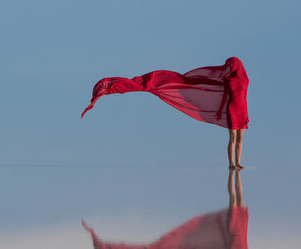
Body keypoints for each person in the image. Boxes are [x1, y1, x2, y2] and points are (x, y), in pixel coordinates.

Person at [81, 57, 249, 168]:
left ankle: (239, 162)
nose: (229, 68)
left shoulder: (243, 79)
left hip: (242, 109)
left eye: (231, 66)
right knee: (233, 138)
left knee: (240, 138)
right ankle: (231, 164)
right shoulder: (227, 80)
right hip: (233, 109)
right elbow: (210, 84)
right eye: (229, 65)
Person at [82, 168, 249, 249]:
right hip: (235, 227)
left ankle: (234, 172)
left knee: (236, 197)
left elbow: (227, 243)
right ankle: (234, 172)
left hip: (236, 226)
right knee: (235, 197)